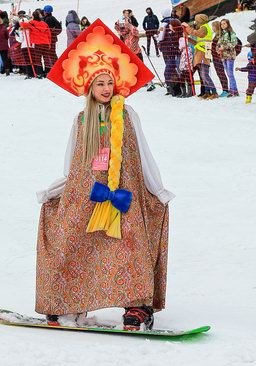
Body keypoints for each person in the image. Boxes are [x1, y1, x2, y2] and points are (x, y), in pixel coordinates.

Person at [39, 20, 172, 330]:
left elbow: (143, 154)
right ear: (89, 87)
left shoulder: (127, 115)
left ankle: (137, 307)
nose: (106, 89)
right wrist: (57, 190)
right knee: (74, 241)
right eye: (100, 84)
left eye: (110, 83)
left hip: (124, 191)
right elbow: (71, 162)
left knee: (130, 243)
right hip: (88, 192)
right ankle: (66, 301)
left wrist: (157, 189)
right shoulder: (81, 119)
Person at [183, 14, 217, 99]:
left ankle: (214, 92)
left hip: (203, 52)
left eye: (197, 20)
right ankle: (207, 92)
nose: (196, 22)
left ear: (201, 20)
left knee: (205, 74)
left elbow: (197, 33)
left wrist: (187, 28)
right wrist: (188, 39)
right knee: (203, 74)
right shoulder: (203, 28)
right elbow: (197, 42)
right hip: (202, 51)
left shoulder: (204, 27)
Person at [24, 10, 50, 78]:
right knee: (46, 58)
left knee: (38, 59)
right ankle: (47, 72)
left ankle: (40, 72)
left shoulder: (31, 23)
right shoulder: (44, 24)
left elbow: (22, 24)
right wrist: (49, 43)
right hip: (46, 42)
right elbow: (49, 34)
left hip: (37, 43)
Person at [217, 18, 239, 97]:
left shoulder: (231, 33)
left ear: (228, 24)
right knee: (228, 73)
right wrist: (218, 49)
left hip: (229, 55)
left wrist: (224, 47)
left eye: (224, 24)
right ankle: (233, 90)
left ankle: (234, 91)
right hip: (223, 56)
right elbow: (218, 44)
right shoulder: (221, 34)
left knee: (230, 74)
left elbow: (234, 43)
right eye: (221, 24)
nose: (223, 25)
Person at [210, 21, 229, 97]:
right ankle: (225, 89)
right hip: (215, 57)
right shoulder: (216, 35)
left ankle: (226, 90)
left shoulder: (220, 36)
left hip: (219, 57)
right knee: (220, 74)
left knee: (221, 73)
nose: (212, 28)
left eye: (213, 26)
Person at [42, 5, 62, 76]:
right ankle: (56, 67)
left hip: (50, 39)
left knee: (51, 54)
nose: (43, 12)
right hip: (52, 39)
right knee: (52, 53)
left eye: (44, 11)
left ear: (47, 12)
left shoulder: (48, 19)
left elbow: (48, 30)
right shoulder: (51, 18)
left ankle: (56, 68)